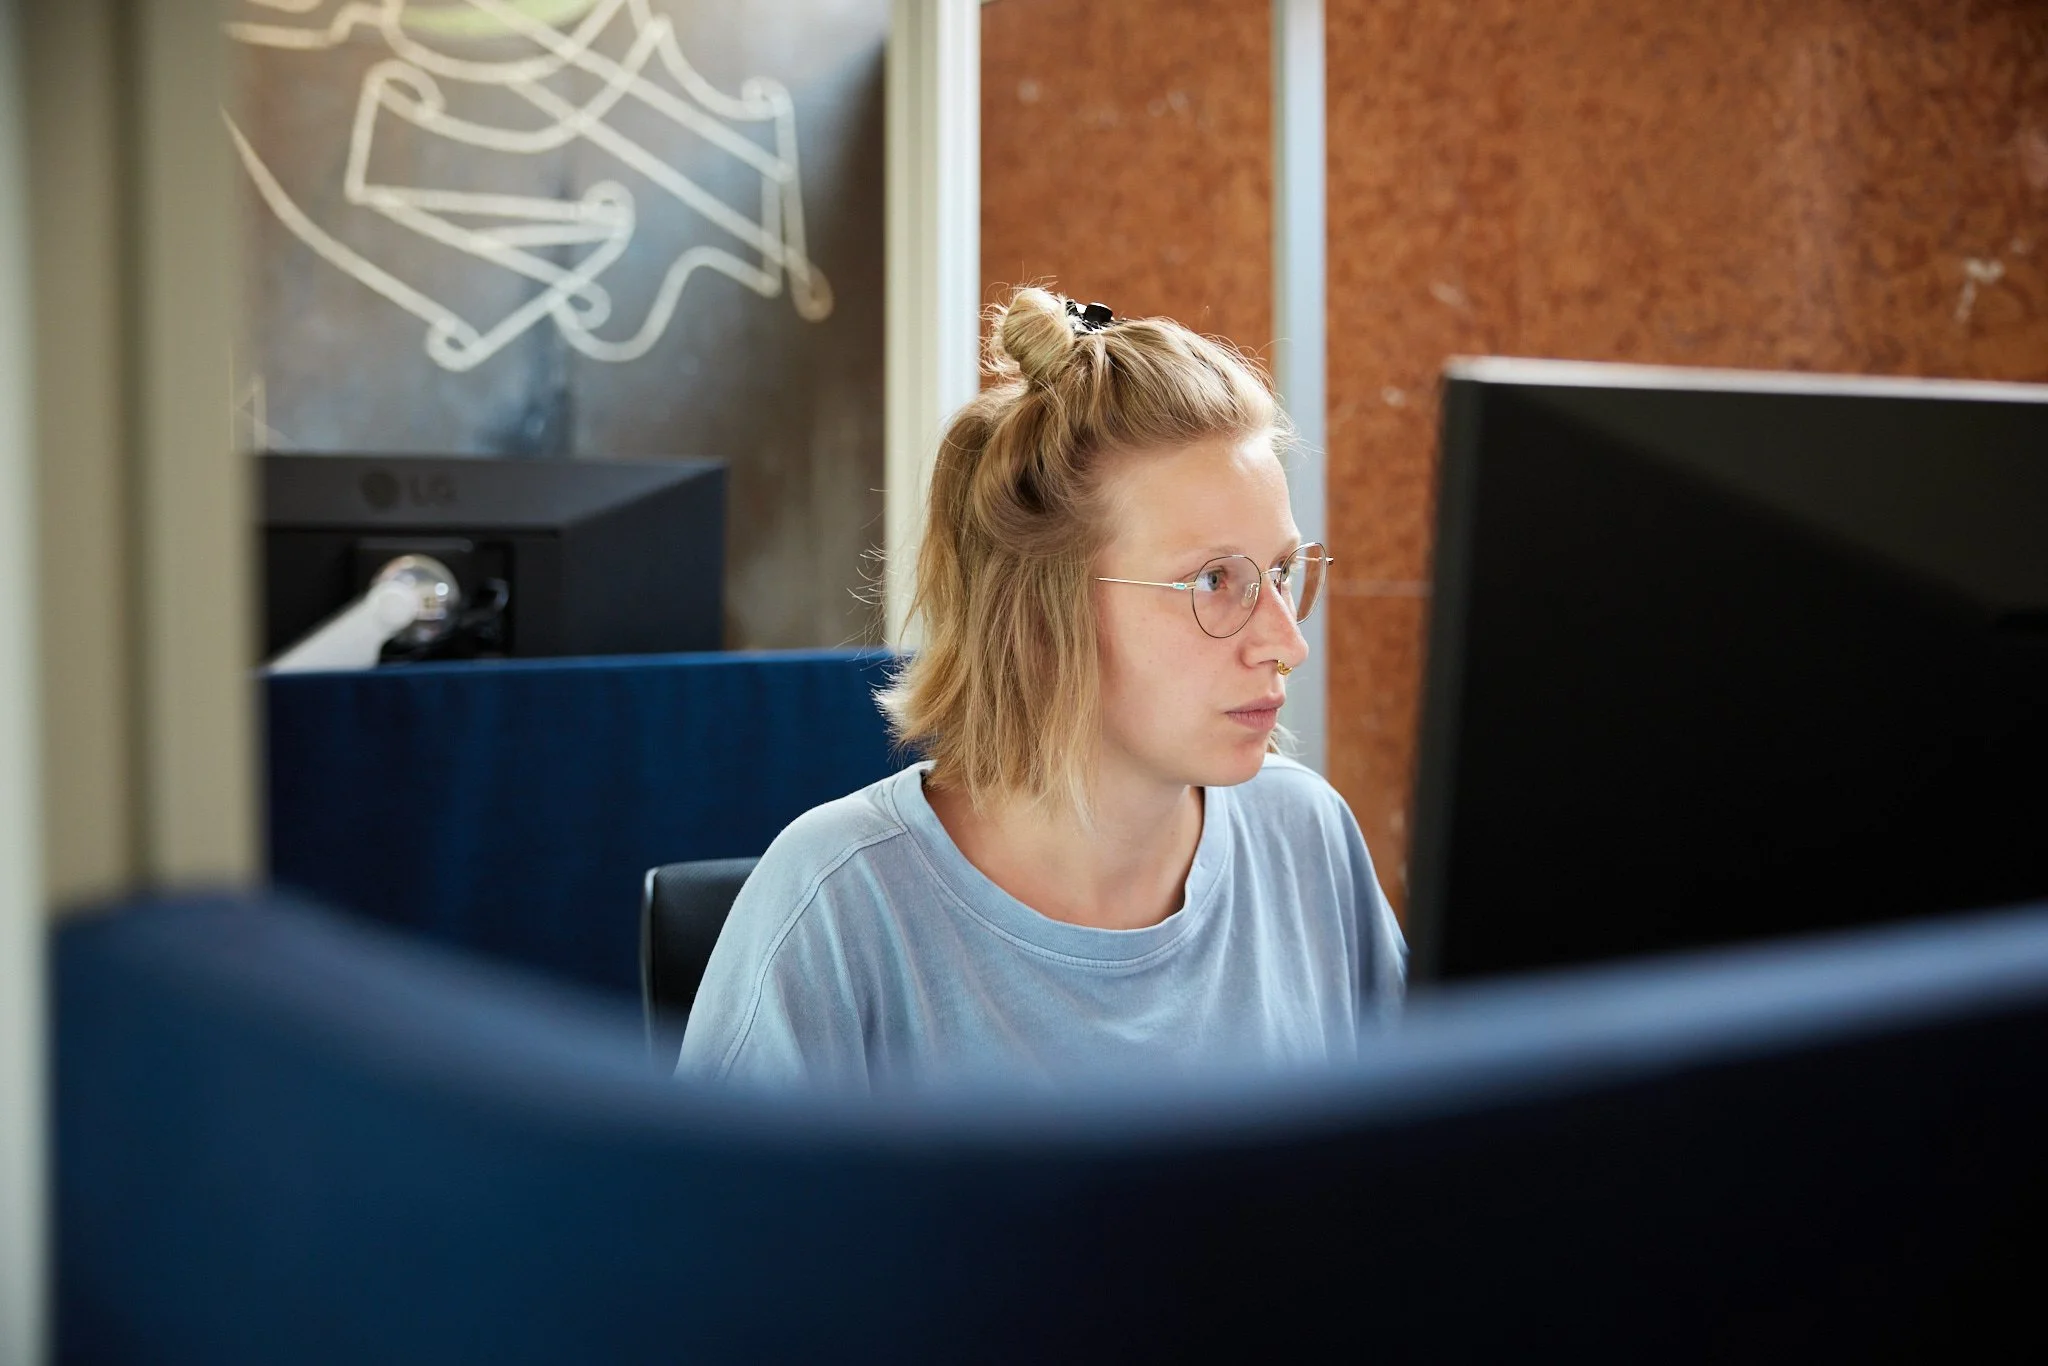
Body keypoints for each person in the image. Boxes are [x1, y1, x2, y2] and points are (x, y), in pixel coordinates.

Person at [678, 287, 1405, 1091]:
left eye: (1279, 572)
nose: (1287, 642)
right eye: (1213, 581)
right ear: (1038, 614)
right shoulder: (835, 909)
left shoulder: (1307, 839)